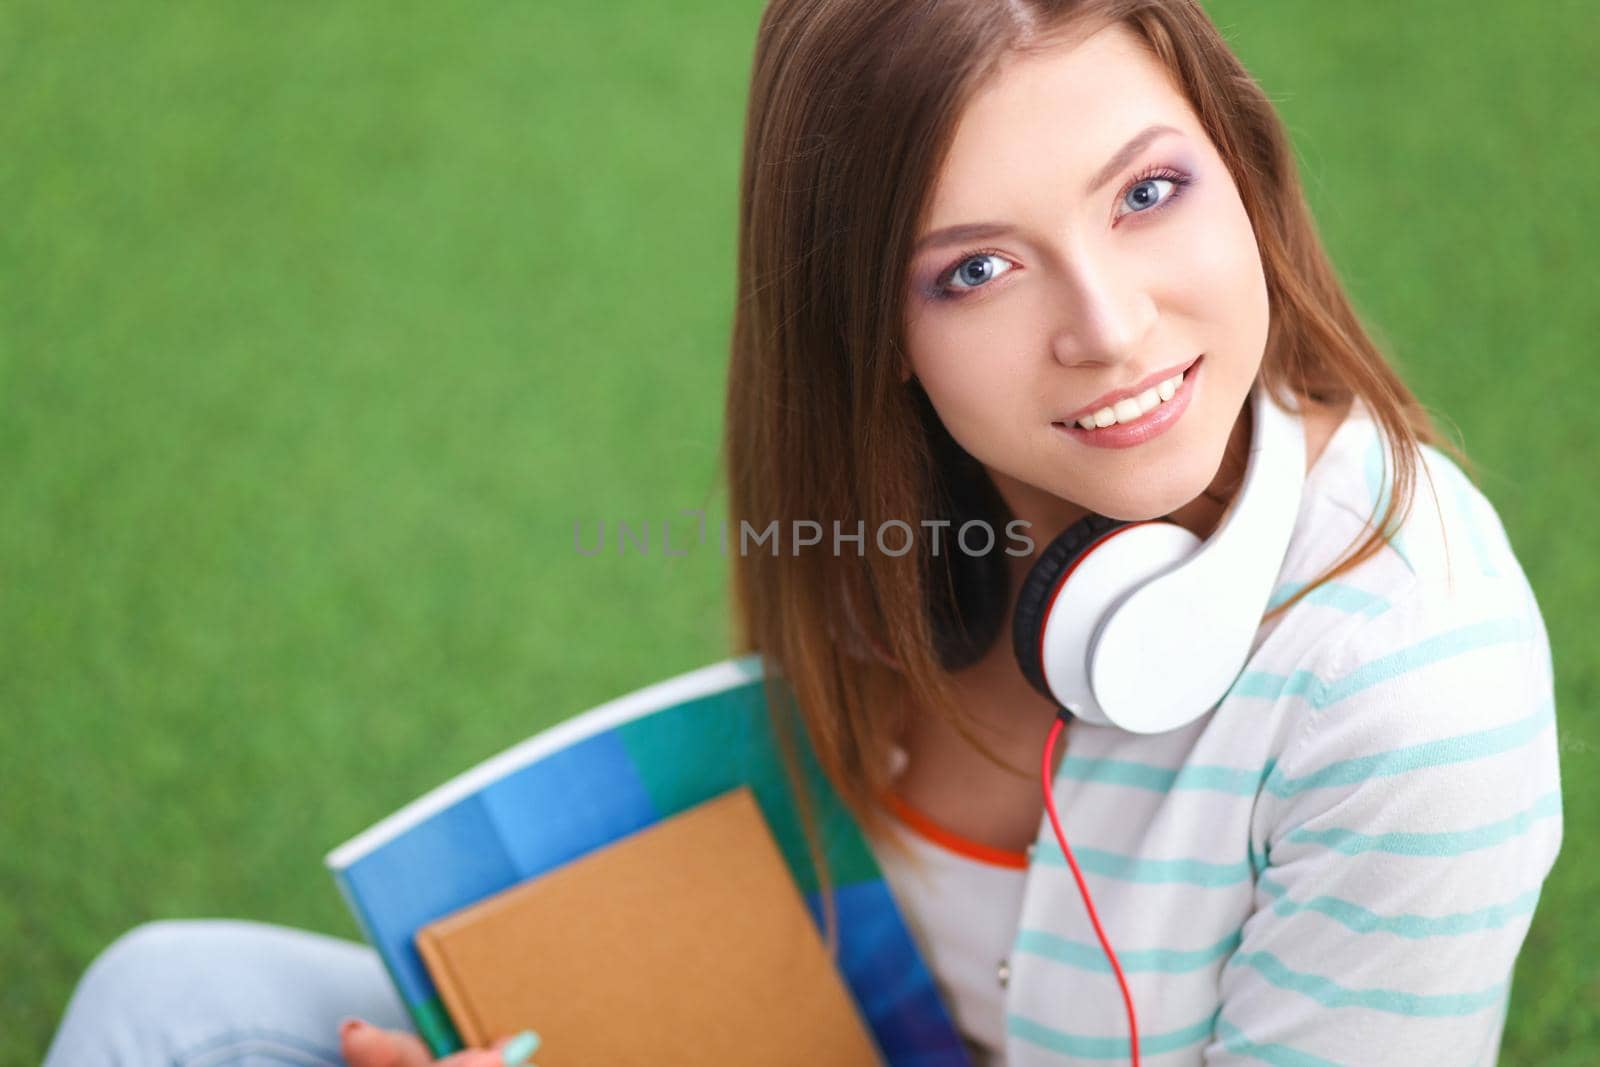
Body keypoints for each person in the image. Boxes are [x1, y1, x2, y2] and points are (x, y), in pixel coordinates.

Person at [43, 1, 1561, 1065]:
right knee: (170, 1000)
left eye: (1148, 193)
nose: (1107, 327)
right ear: (875, 329)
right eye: (975, 271)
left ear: (1242, 168)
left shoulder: (1408, 694)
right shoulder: (929, 506)